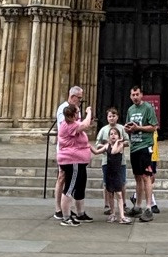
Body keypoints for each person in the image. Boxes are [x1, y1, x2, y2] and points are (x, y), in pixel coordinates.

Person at [54, 91, 93, 226]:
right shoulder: (69, 125)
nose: (79, 115)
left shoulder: (73, 123)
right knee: (69, 188)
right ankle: (66, 217)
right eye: (77, 113)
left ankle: (80, 213)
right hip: (72, 160)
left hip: (79, 159)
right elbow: (86, 124)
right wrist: (89, 112)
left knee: (80, 186)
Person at [125, 85, 158, 222]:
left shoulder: (148, 108)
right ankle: (138, 206)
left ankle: (149, 207)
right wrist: (128, 129)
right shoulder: (130, 109)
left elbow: (154, 126)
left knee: (146, 176)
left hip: (145, 146)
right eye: (133, 95)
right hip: (134, 147)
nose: (135, 97)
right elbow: (128, 125)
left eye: (137, 94)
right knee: (137, 177)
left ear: (141, 94)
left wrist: (138, 128)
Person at [97, 109, 129, 224]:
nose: (111, 118)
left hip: (120, 163)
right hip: (107, 162)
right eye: (109, 116)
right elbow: (97, 144)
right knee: (107, 185)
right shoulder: (103, 130)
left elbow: (127, 141)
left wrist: (120, 143)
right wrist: (105, 145)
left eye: (113, 116)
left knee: (122, 184)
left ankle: (123, 205)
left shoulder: (121, 128)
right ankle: (109, 208)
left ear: (117, 117)